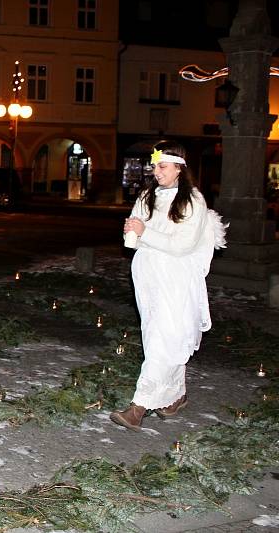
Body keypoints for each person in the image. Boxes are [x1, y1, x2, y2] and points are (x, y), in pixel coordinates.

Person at [110, 141, 227, 432]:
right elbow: (135, 239)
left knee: (164, 337)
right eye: (154, 165)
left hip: (176, 277)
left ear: (179, 167)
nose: (155, 170)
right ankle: (175, 397)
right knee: (158, 336)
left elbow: (182, 245)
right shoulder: (147, 195)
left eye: (162, 166)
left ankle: (138, 406)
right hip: (148, 276)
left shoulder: (193, 201)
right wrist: (132, 233)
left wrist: (144, 232)